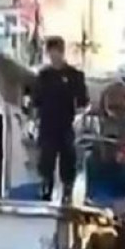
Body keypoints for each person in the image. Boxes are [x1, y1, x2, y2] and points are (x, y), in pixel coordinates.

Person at [33, 36, 89, 202]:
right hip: (47, 125)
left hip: (66, 124)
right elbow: (36, 101)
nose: (53, 56)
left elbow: (82, 101)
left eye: (56, 52)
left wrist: (79, 115)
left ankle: (67, 191)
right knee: (46, 160)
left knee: (68, 159)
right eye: (50, 52)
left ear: (62, 52)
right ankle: (46, 189)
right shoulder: (43, 76)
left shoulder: (74, 75)